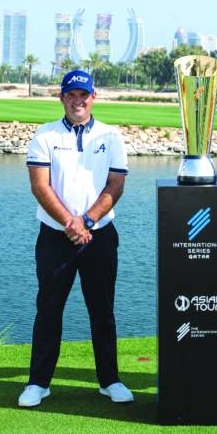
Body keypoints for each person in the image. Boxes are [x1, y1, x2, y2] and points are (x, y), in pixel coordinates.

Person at [17, 69, 134, 408]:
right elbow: (40, 186)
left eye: (84, 95)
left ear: (93, 98)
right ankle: (39, 383)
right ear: (62, 98)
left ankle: (109, 380)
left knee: (102, 311)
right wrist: (70, 222)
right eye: (71, 95)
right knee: (49, 309)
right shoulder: (45, 134)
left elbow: (116, 185)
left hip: (100, 236)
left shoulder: (111, 137)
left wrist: (87, 220)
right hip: (55, 237)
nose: (78, 100)